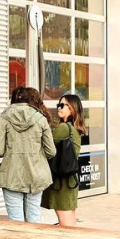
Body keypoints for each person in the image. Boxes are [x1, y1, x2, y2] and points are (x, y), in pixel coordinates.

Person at [0, 87, 56, 239]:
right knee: (34, 220)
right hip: (36, 175)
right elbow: (51, 151)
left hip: (12, 174)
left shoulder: (5, 117)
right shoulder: (40, 118)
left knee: (16, 223)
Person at [42, 94, 85, 227]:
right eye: (58, 105)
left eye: (62, 105)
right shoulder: (75, 127)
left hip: (62, 181)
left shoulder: (64, 128)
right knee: (70, 220)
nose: (59, 108)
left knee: (65, 224)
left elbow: (47, 147)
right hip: (70, 179)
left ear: (72, 108)